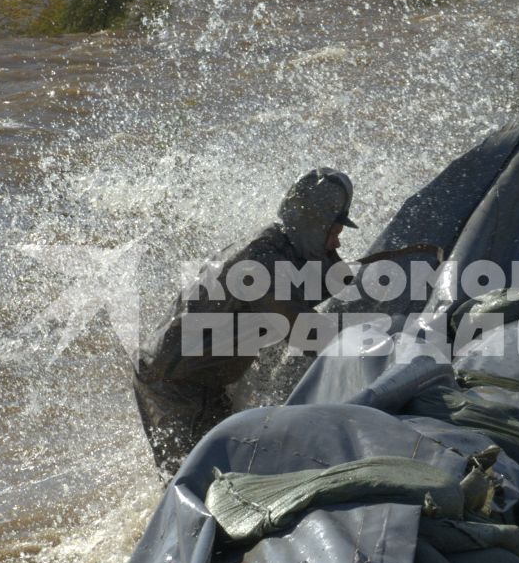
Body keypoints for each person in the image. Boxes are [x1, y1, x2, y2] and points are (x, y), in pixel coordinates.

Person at [132, 168, 356, 473]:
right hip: (176, 383)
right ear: (315, 227)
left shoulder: (281, 247)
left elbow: (323, 287)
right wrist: (372, 352)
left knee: (230, 468)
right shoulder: (261, 265)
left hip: (200, 377)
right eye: (335, 233)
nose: (337, 244)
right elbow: (307, 331)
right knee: (201, 479)